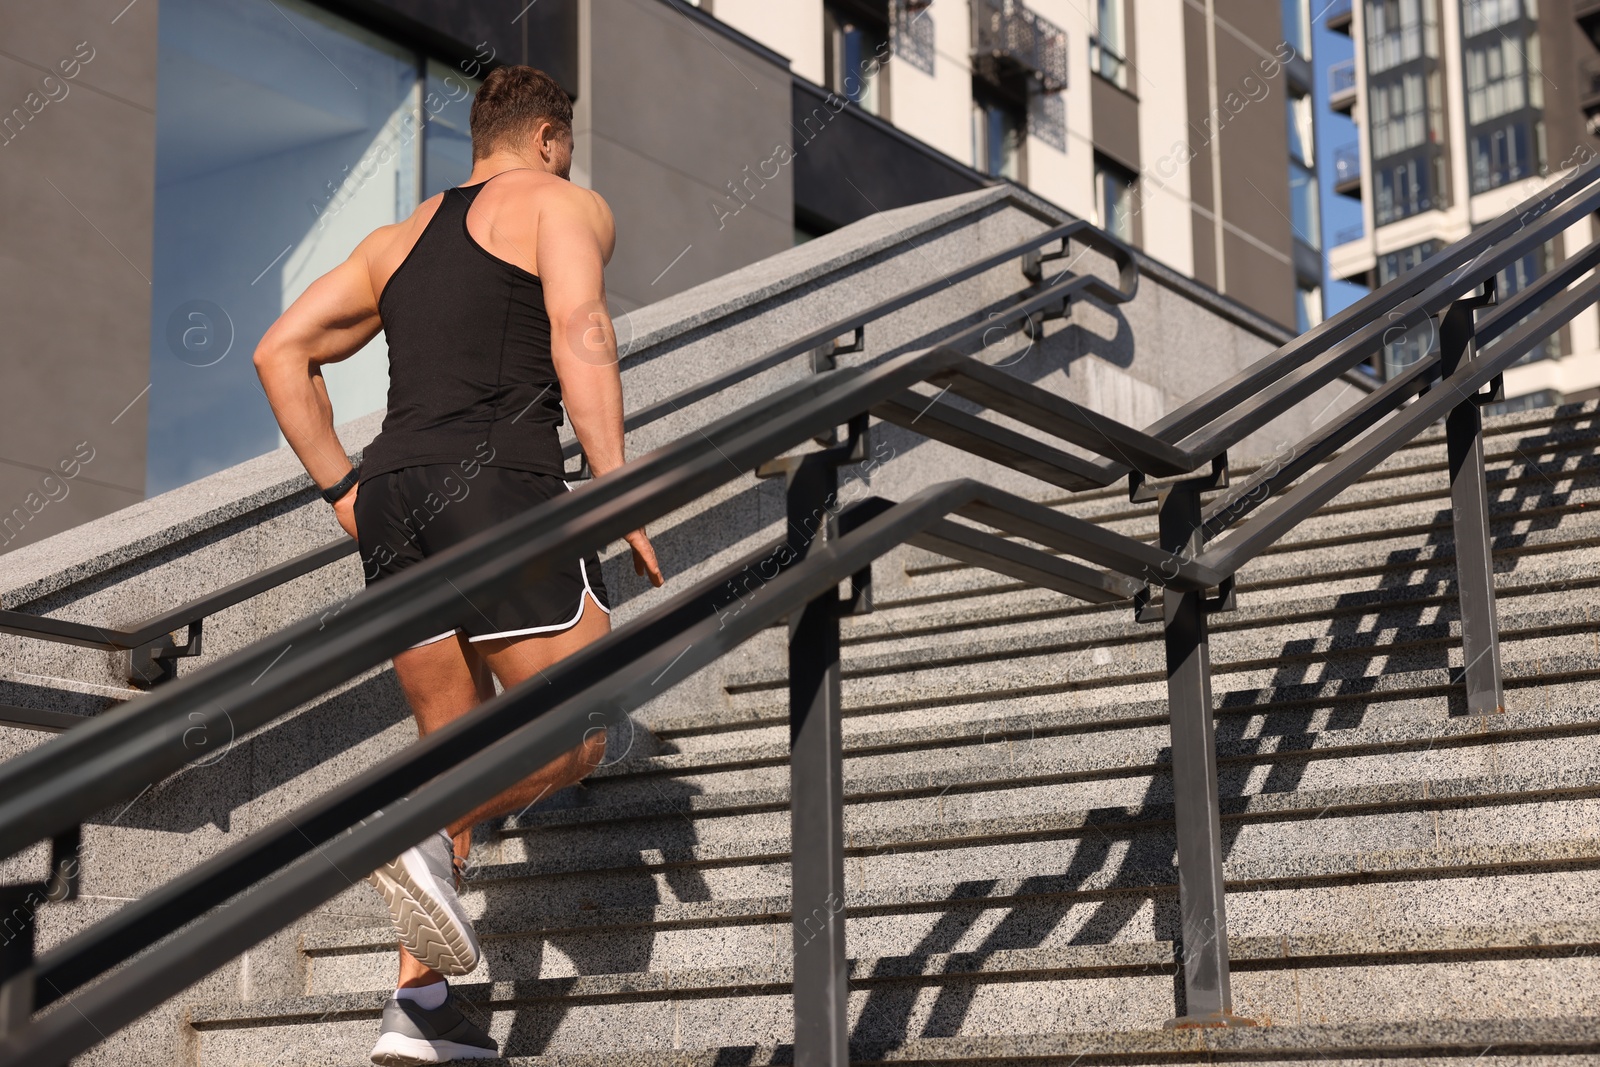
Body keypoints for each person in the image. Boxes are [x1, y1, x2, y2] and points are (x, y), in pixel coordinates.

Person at [254, 65, 662, 1065]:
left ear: (479, 142)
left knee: (455, 736)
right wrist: (617, 484)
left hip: (395, 493)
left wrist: (341, 490)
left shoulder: (398, 238)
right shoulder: (564, 203)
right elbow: (581, 330)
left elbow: (278, 351)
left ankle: (420, 1007)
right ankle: (417, 829)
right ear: (550, 140)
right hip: (498, 487)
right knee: (583, 727)